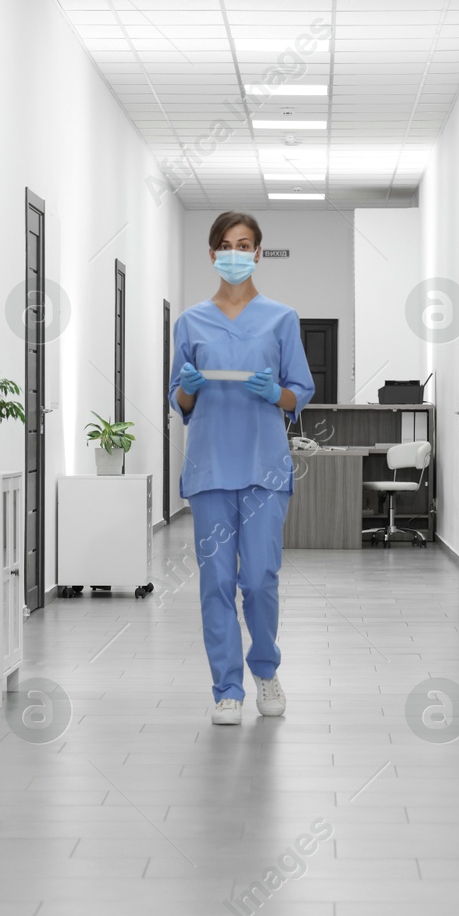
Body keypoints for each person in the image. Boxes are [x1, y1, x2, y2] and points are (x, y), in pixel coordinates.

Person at [168, 212, 315, 726]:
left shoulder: (282, 318)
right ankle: (226, 688)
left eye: (245, 244)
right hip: (210, 468)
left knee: (258, 580)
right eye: (225, 245)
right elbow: (179, 399)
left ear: (257, 253)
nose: (235, 253)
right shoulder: (190, 322)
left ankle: (266, 670)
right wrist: (189, 382)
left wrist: (277, 394)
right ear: (212, 255)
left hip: (263, 470)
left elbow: (300, 390)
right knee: (214, 584)